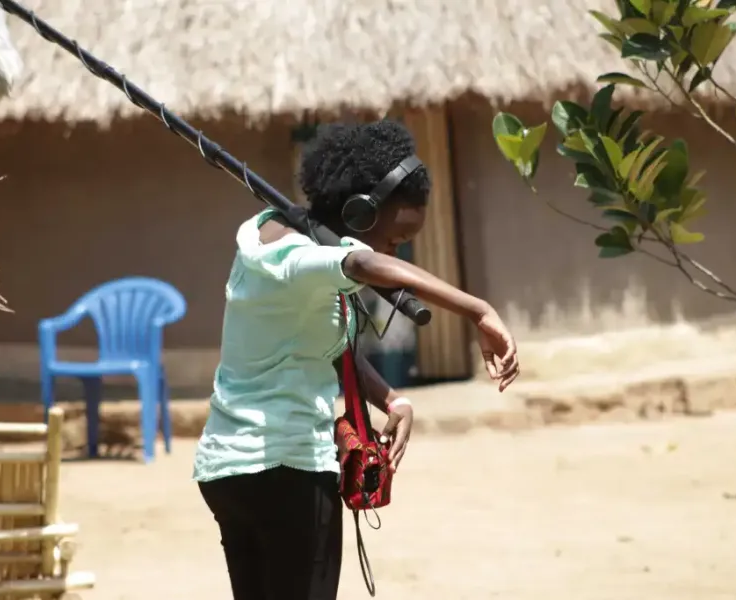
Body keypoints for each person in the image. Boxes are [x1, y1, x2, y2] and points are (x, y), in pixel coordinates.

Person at [193, 119, 520, 600]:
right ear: (361, 214)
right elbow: (365, 265)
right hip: (287, 468)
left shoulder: (270, 241)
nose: (397, 251)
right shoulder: (298, 258)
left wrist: (392, 400)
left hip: (229, 474)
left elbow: (325, 348)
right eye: (396, 238)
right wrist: (479, 309)